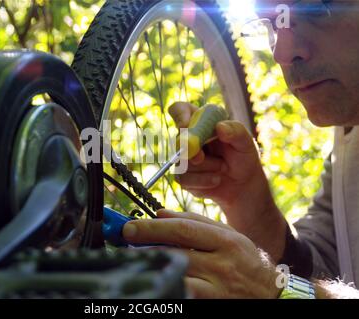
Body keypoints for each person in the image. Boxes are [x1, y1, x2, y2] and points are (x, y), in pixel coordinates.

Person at [122, 0, 359, 298]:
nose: (282, 53)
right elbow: (328, 272)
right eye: (271, 24)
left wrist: (274, 291)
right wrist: (246, 199)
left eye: (318, 7)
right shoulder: (349, 139)